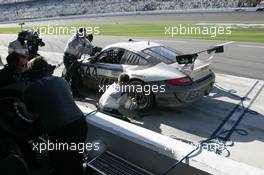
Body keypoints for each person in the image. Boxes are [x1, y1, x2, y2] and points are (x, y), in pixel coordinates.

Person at [23, 56, 88, 175]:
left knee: (59, 161)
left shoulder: (30, 88)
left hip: (61, 130)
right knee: (76, 157)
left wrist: (23, 107)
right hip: (80, 124)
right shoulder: (61, 80)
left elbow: (32, 115)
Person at [63, 27, 94, 98]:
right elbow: (81, 49)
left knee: (68, 76)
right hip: (69, 59)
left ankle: (61, 89)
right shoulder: (75, 40)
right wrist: (92, 51)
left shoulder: (80, 38)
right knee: (74, 76)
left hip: (71, 59)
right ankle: (75, 94)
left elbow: (88, 45)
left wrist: (94, 48)